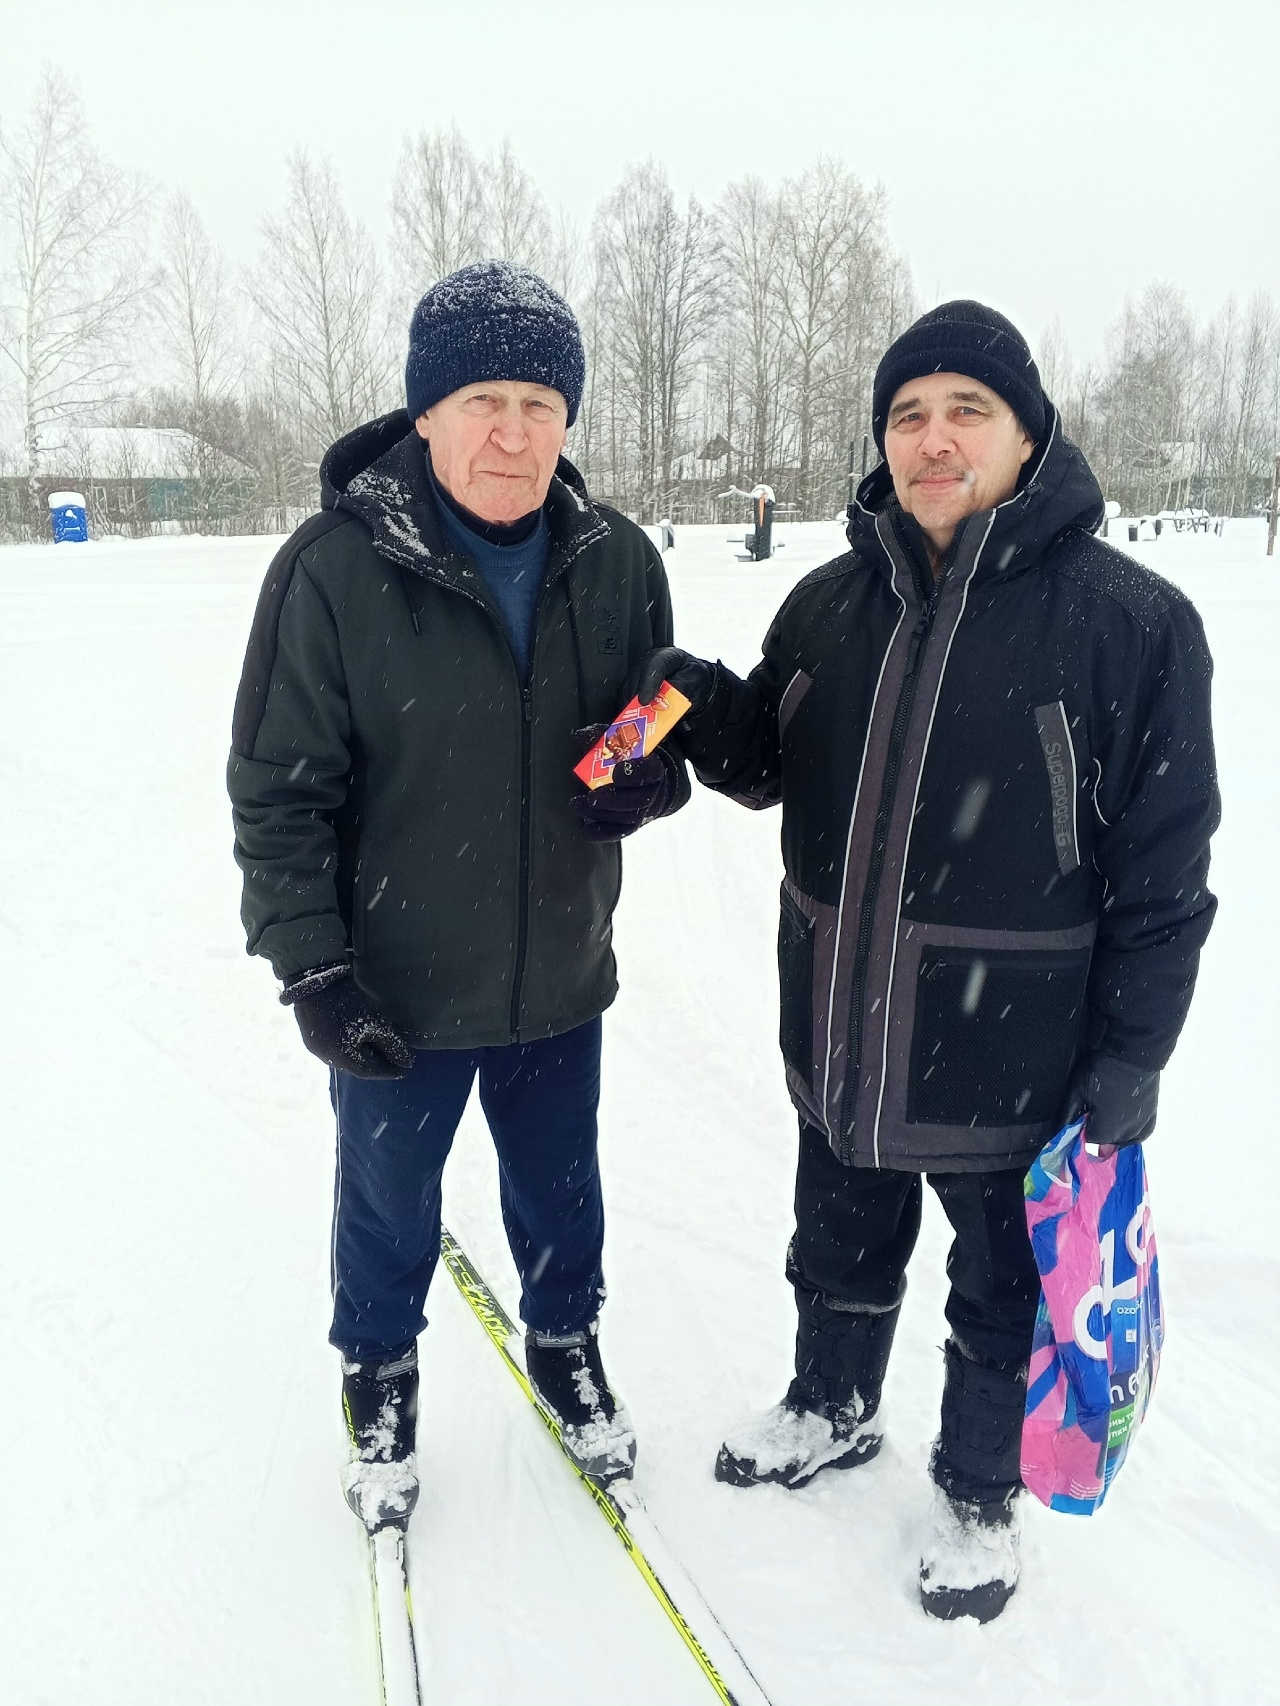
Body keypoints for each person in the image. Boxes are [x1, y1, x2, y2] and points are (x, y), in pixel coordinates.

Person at [639, 300, 1219, 1621]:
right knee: (836, 1233)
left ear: (1027, 434)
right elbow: (769, 758)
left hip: (1008, 1053)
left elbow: (1165, 877)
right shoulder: (831, 603)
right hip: (844, 1025)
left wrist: (1132, 1056)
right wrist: (687, 696)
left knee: (999, 1288)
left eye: (967, 410)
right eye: (907, 414)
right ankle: (831, 1403)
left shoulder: (1129, 623)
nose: (933, 438)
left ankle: (976, 1492)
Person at [228, 260, 688, 1532]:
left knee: (561, 1185)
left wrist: (646, 782)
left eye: (539, 404)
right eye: (482, 399)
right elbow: (278, 789)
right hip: (396, 984)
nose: (511, 433)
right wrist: (315, 970)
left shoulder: (616, 559)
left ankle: (565, 1342)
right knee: (387, 1202)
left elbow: (644, 730)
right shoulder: (332, 570)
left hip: (557, 966)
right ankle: (378, 1375)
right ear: (425, 411)